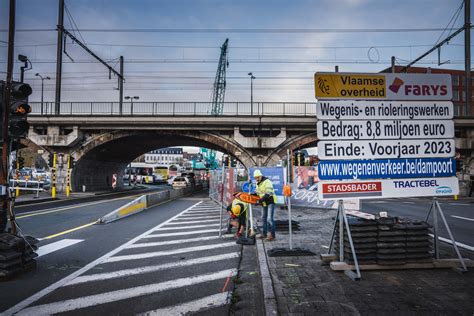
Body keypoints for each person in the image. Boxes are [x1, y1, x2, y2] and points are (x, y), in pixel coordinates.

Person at [254, 169, 277, 241]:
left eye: (258, 177)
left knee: (269, 219)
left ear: (261, 176)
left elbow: (268, 193)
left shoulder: (267, 182)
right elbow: (257, 193)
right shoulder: (257, 183)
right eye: (256, 177)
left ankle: (272, 235)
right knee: (263, 218)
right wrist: (251, 196)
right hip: (264, 203)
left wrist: (260, 200)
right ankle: (264, 234)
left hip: (270, 201)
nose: (257, 179)